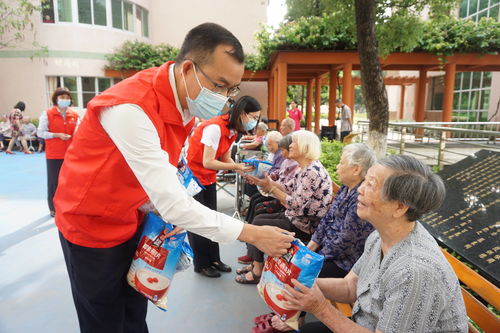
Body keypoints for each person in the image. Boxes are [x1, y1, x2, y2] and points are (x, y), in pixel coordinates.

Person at [53, 23, 293, 333]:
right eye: (219, 85)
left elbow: (163, 176)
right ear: (188, 69)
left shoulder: (183, 105)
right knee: (104, 317)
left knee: (134, 308)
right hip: (90, 226)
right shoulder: (131, 107)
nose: (224, 98)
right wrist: (252, 234)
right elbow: (174, 204)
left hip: (132, 218)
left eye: (231, 89)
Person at [281, 155, 468, 333]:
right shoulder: (379, 237)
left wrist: (319, 307)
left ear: (400, 207)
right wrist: (302, 284)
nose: (361, 189)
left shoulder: (414, 271)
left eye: (371, 185)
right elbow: (350, 286)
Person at [268, 143, 377, 332]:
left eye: (341, 163)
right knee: (296, 261)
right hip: (329, 251)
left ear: (356, 169)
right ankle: (287, 309)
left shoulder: (361, 198)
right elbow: (327, 220)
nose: (337, 167)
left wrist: (315, 259)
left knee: (304, 271)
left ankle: (293, 318)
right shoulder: (346, 188)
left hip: (345, 262)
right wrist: (310, 247)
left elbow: (345, 241)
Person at [236, 130, 333, 284]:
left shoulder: (311, 172)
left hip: (305, 226)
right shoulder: (306, 168)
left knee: (258, 223)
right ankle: (256, 264)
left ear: (304, 147)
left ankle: (257, 270)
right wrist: (265, 182)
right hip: (296, 218)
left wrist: (272, 189)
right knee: (259, 219)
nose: (290, 145)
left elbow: (296, 204)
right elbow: (287, 187)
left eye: (294, 142)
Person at [186, 96, 259, 278]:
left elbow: (226, 159)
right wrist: (236, 167)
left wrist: (243, 173)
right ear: (242, 114)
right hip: (193, 179)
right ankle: (201, 264)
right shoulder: (214, 128)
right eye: (254, 116)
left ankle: (214, 259)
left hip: (208, 178)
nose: (255, 121)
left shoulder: (233, 130)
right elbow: (208, 161)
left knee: (212, 219)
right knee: (198, 222)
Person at [37, 87, 79, 217]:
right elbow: (40, 133)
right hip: (54, 154)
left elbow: (79, 131)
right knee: (54, 182)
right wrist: (57, 135)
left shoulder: (74, 115)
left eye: (67, 98)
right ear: (56, 99)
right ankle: (53, 208)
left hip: (71, 154)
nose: (64, 100)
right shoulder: (48, 113)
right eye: (62, 98)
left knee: (71, 182)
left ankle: (68, 206)